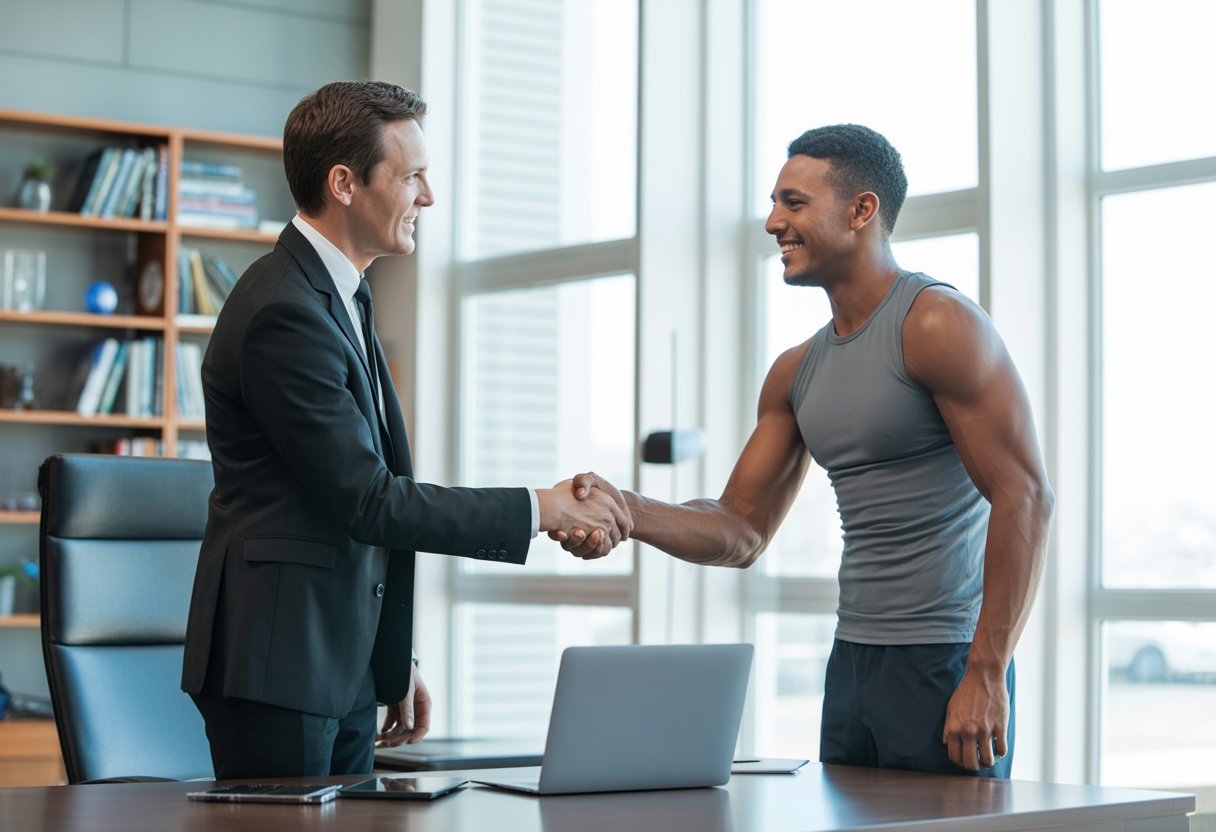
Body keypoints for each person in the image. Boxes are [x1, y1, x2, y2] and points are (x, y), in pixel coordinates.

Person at [564, 124, 1054, 776]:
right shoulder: (797, 371)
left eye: (794, 203)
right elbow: (740, 527)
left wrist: (987, 671)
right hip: (852, 661)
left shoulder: (937, 324)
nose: (773, 222)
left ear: (861, 211)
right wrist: (625, 509)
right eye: (773, 203)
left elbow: (1025, 494)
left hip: (944, 657)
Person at [181, 80, 631, 780]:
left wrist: (392, 659)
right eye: (413, 175)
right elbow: (370, 501)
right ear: (344, 184)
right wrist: (541, 509)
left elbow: (353, 518)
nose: (428, 196)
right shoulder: (285, 312)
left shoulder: (341, 295)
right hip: (280, 671)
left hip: (337, 665)